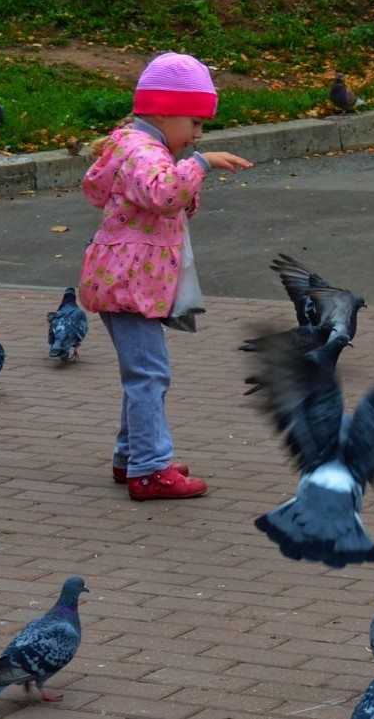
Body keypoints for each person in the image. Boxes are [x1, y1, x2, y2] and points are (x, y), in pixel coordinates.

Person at [80, 52, 252, 501]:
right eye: (194, 124)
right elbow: (162, 192)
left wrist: (187, 175)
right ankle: (150, 469)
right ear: (161, 110)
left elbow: (160, 201)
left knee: (143, 373)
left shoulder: (135, 147)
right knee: (149, 375)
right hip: (129, 284)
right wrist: (201, 164)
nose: (197, 135)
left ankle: (132, 458)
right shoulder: (142, 151)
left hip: (128, 280)